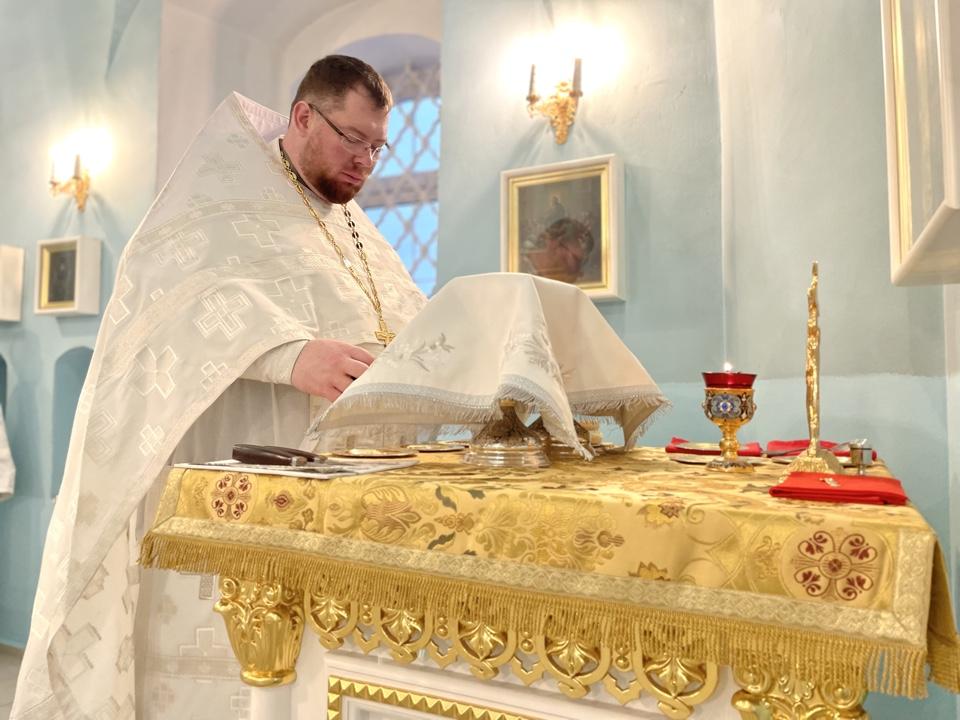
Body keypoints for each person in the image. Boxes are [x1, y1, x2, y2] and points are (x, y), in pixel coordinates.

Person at [11, 56, 426, 720]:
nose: (366, 161)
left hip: (329, 496)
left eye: (378, 147)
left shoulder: (357, 232)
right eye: (353, 138)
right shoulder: (215, 200)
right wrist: (287, 354)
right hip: (229, 471)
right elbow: (162, 316)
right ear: (303, 116)